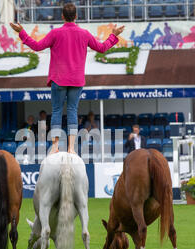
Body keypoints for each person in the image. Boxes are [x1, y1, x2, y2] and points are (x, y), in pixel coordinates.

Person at [10, 2, 124, 154]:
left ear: (62, 16)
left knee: (57, 111)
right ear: (76, 16)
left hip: (58, 79)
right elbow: (102, 48)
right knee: (72, 111)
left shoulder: (55, 33)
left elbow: (37, 46)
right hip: (76, 80)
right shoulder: (84, 33)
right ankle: (71, 148)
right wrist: (113, 35)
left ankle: (55, 147)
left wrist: (22, 32)